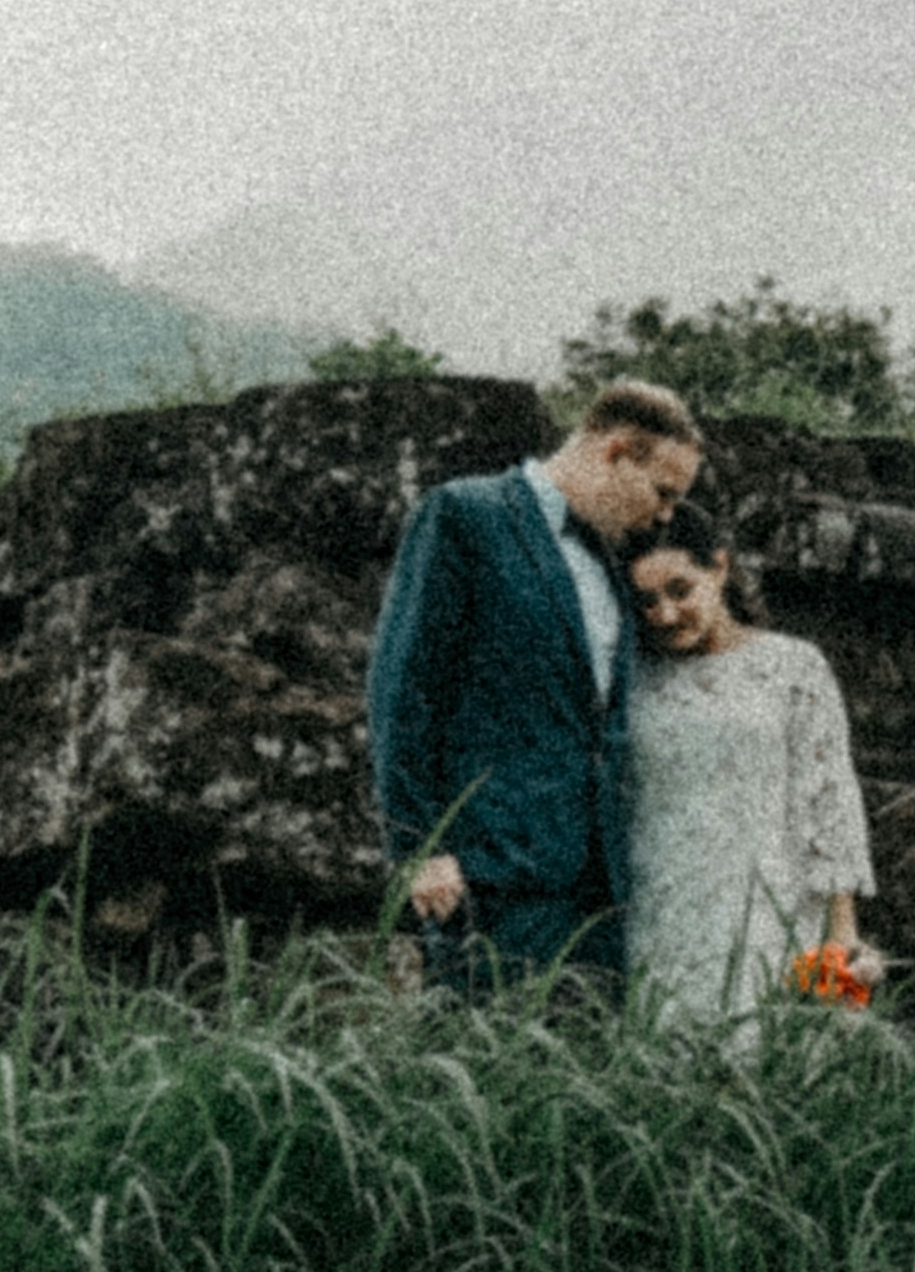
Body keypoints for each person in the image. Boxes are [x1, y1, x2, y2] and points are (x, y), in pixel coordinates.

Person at [365, 382, 701, 988]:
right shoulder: (465, 515)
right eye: (663, 491)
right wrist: (418, 848)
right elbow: (403, 691)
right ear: (617, 452)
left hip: (601, 893)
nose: (666, 515)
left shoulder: (612, 561)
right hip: (493, 879)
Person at [608, 539, 875, 1028]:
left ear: (720, 569)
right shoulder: (630, 677)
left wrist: (843, 930)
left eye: (680, 590)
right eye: (647, 601)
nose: (665, 614)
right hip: (661, 903)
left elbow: (830, 797)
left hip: (771, 902)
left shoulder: (794, 666)